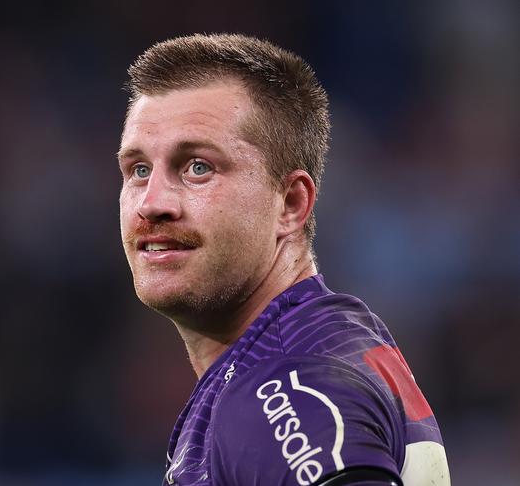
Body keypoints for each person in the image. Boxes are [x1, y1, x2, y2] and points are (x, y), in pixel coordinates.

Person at [118, 33, 450, 486]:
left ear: (291, 203)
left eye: (198, 167)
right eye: (138, 169)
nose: (152, 203)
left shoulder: (281, 386)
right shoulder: (311, 344)